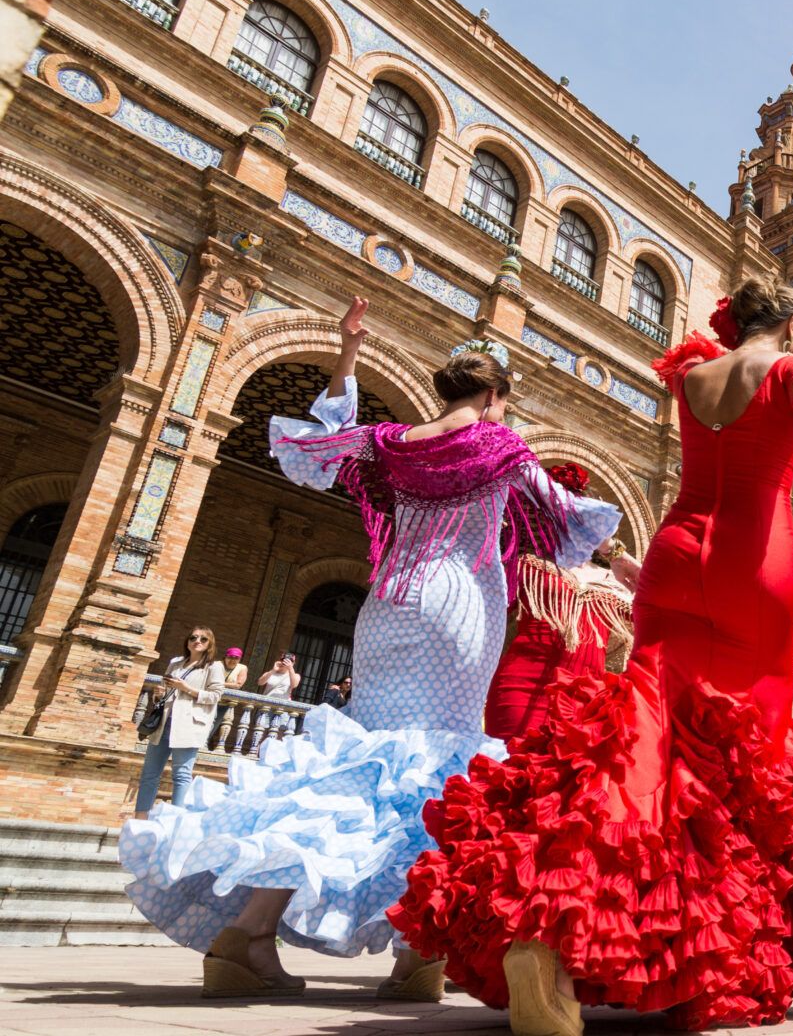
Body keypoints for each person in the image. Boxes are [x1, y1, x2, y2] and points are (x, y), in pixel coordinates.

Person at [393, 278, 793, 1036]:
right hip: (754, 568)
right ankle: (688, 949)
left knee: (638, 742)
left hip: (675, 554)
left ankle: (550, 927)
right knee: (739, 761)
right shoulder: (789, 368)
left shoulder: (694, 375)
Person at [118, 296, 620, 1002]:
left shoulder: (390, 444)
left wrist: (348, 352)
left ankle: (249, 934)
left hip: (385, 606)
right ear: (494, 395)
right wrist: (622, 561)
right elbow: (562, 517)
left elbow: (321, 442)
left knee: (356, 762)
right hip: (456, 608)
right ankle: (416, 956)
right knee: (439, 771)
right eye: (503, 402)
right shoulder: (500, 445)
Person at [481, 461, 644, 741]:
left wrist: (620, 555)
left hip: (586, 703)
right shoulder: (526, 565)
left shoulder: (620, 581)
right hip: (519, 687)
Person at [132, 627, 228, 819]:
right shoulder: (176, 664)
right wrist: (158, 695)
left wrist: (186, 688)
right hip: (164, 723)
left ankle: (175, 820)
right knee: (149, 774)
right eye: (193, 637)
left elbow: (215, 695)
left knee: (182, 774)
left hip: (189, 725)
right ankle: (140, 819)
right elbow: (165, 691)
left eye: (203, 639)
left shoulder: (213, 666)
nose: (197, 641)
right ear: (187, 641)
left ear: (210, 644)